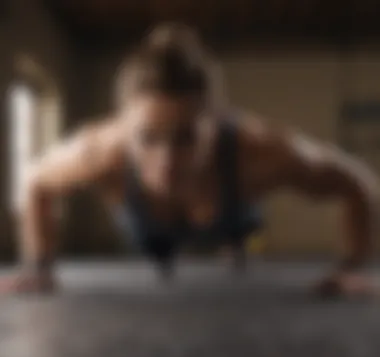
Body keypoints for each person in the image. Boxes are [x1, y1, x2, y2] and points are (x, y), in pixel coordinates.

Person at [2, 23, 379, 296]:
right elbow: (35, 181)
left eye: (185, 138)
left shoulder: (262, 151)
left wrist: (350, 268)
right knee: (158, 249)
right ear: (123, 124)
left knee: (240, 235)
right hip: (146, 232)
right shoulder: (98, 151)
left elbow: (357, 183)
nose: (166, 161)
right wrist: (39, 266)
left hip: (234, 218)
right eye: (147, 138)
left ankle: (233, 245)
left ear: (215, 125)